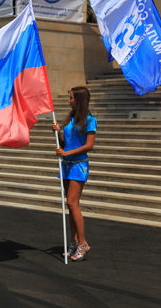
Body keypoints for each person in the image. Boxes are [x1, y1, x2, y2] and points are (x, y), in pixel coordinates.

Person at [51, 87, 97, 262]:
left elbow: (89, 145)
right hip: (67, 164)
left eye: (71, 98)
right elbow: (65, 143)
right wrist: (57, 133)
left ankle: (83, 243)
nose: (69, 101)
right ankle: (74, 241)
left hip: (78, 164)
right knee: (70, 205)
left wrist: (68, 154)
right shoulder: (70, 119)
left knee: (72, 202)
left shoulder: (90, 120)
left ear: (79, 100)